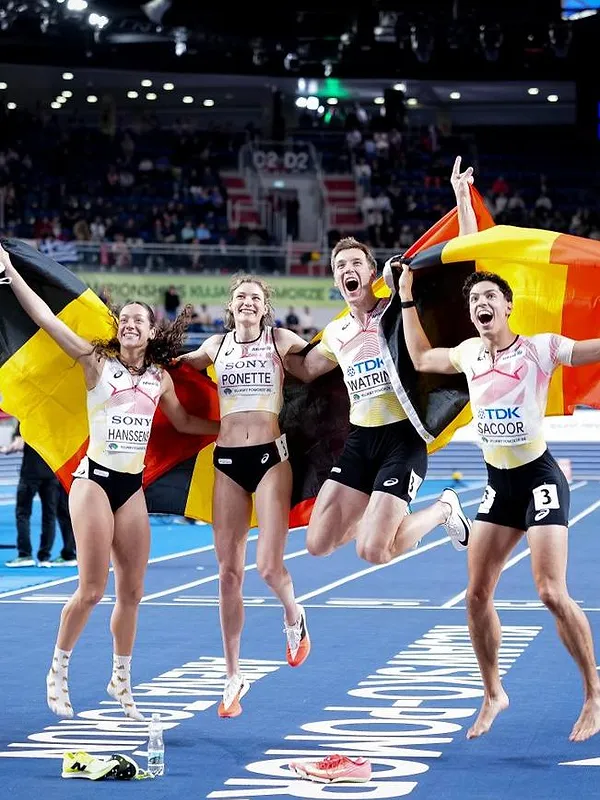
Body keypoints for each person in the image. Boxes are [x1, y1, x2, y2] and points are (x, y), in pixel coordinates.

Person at [397, 180, 600, 742]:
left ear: (508, 306)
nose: (480, 304)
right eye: (474, 301)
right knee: (476, 595)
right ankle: (493, 693)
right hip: (497, 485)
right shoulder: (468, 353)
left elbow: (588, 350)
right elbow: (420, 356)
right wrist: (407, 296)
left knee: (550, 592)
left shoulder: (540, 347)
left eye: (489, 297)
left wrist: (467, 209)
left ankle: (593, 693)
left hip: (539, 480)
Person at [0, 245, 219, 720]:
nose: (130, 323)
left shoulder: (160, 378)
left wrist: (233, 428)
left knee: (133, 592)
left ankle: (121, 681)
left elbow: (183, 423)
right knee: (92, 589)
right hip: (94, 482)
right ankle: (58, 670)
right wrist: (11, 272)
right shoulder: (96, 363)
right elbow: (47, 321)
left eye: (140, 319)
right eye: (125, 318)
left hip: (131, 488)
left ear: (152, 331)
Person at [284, 158, 473, 572]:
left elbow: (464, 267)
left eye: (356, 263)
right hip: (360, 442)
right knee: (317, 543)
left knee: (374, 552)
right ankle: (379, 514)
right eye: (340, 267)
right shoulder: (335, 333)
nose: (347, 270)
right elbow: (306, 369)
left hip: (402, 440)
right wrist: (267, 338)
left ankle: (444, 508)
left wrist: (461, 197)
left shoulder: (398, 310)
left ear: (372, 272)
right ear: (336, 281)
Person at [179, 274, 312, 718]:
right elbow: (176, 368)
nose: (248, 302)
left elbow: (317, 366)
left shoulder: (281, 340)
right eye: (241, 297)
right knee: (228, 574)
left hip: (272, 458)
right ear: (231, 306)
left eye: (255, 297)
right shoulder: (215, 347)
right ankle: (233, 674)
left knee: (269, 567)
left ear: (265, 306)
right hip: (227, 462)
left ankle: (294, 616)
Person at [2, 423, 59, 568]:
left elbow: (19, 444)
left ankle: (25, 554)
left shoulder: (27, 419)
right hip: (51, 472)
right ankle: (45, 557)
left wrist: (6, 450)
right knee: (49, 515)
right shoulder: (54, 420)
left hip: (30, 472)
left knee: (23, 513)